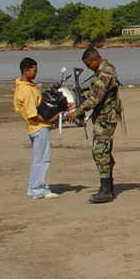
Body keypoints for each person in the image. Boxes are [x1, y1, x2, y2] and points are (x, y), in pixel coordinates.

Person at [65, 47, 122, 204]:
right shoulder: (102, 72)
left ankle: (106, 190)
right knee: (102, 151)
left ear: (96, 60)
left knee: (100, 151)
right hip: (103, 116)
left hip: (106, 117)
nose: (87, 67)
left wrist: (78, 111)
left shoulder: (105, 73)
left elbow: (96, 98)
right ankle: (107, 187)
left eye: (88, 64)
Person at [12, 57, 58, 199]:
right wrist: (50, 119)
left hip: (35, 127)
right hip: (38, 127)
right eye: (34, 70)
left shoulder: (27, 86)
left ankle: (33, 188)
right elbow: (32, 114)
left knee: (38, 159)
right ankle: (38, 189)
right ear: (25, 71)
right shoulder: (25, 90)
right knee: (42, 160)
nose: (36, 73)